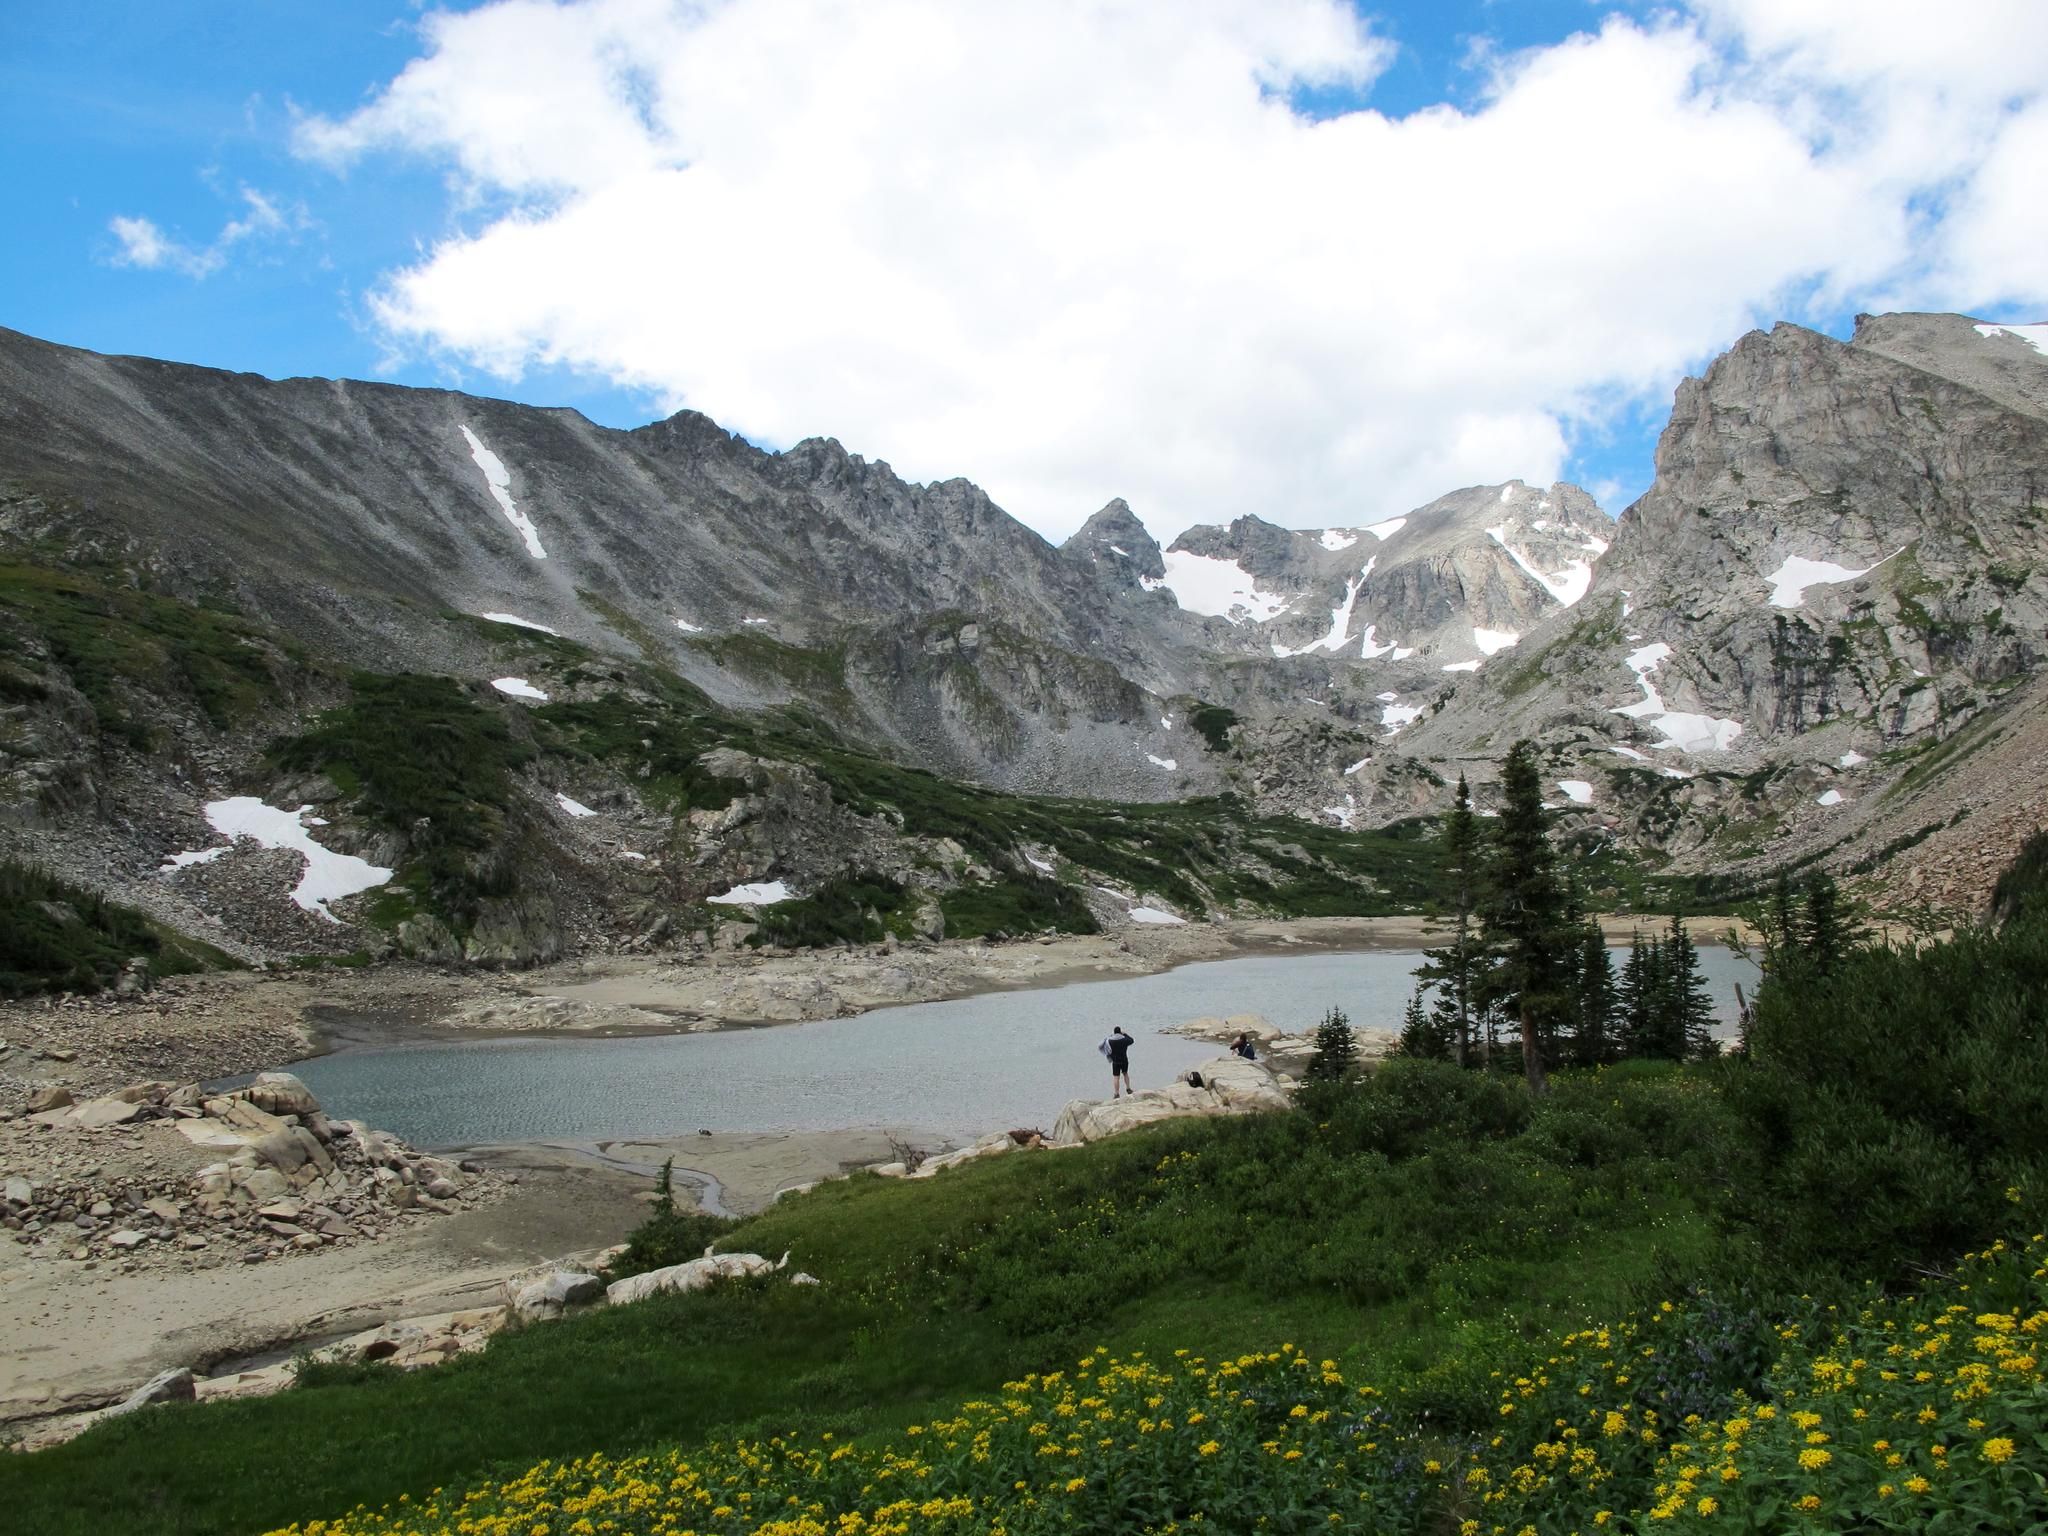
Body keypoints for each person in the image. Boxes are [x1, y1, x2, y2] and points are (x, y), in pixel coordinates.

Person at [1102, 1025, 1134, 1098]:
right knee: (1125, 1074)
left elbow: (1104, 1045)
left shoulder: (1110, 1041)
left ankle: (1116, 1093)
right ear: (1120, 1032)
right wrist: (1125, 1034)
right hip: (1124, 1059)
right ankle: (1128, 1088)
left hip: (1115, 1061)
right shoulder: (1124, 1040)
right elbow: (1132, 1040)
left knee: (1116, 1077)